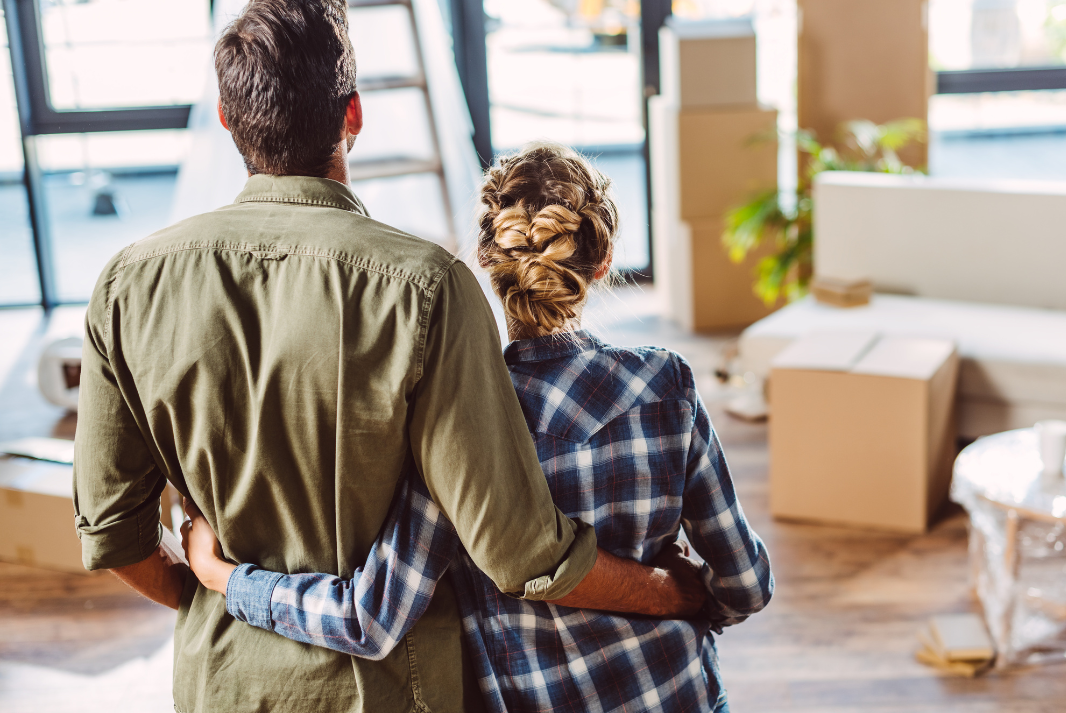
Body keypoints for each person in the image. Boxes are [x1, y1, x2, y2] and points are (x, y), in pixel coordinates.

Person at [70, 3, 706, 712]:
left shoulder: (129, 284)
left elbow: (114, 535)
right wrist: (670, 590)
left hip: (222, 684)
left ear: (226, 119)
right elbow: (518, 548)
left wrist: (226, 591)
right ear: (354, 115)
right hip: (391, 692)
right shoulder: (427, 288)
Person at [181, 142, 775, 712]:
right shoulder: (666, 385)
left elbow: (371, 617)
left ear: (488, 263)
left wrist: (227, 579)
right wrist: (684, 596)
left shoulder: (455, 418)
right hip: (680, 694)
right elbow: (745, 583)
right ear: (604, 263)